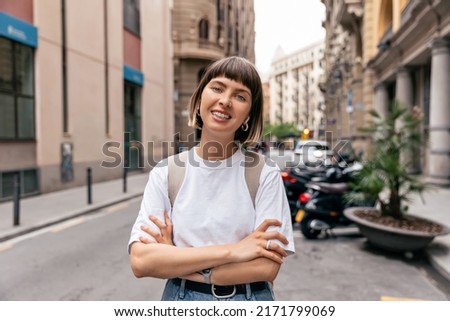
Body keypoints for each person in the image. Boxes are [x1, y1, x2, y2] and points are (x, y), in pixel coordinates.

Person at [128, 56, 295, 301]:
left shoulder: (264, 174)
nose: (225, 101)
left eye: (240, 96)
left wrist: (176, 258)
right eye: (217, 88)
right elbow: (142, 261)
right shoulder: (166, 173)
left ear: (248, 115)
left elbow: (266, 268)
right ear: (198, 101)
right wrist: (234, 251)